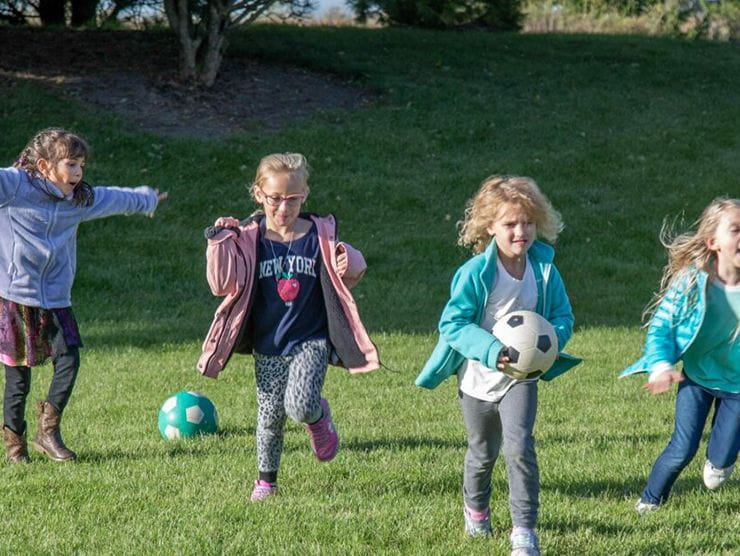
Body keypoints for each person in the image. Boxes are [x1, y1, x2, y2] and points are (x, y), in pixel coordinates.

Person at [197, 153, 379, 502]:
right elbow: (221, 284)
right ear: (258, 194)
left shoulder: (319, 234)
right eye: (275, 198)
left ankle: (318, 415)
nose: (284, 207)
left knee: (299, 404)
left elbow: (352, 268)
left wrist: (349, 258)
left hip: (311, 340)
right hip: (268, 344)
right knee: (269, 417)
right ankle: (266, 481)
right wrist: (218, 241)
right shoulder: (248, 238)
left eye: (292, 199)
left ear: (305, 194)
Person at [415, 176, 580, 556]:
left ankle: (524, 531)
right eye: (510, 224)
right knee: (482, 452)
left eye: (527, 223)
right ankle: (476, 511)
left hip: (520, 378)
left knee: (520, 446)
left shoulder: (545, 272)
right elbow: (453, 324)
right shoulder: (476, 273)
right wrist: (490, 350)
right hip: (476, 378)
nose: (520, 232)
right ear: (490, 227)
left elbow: (563, 317)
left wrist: (550, 342)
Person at [1, 127, 168, 463]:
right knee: (18, 377)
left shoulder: (79, 199)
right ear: (45, 165)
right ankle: (15, 445)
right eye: (70, 164)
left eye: (81, 165)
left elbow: (113, 198)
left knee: (69, 360)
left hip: (56, 298)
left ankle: (48, 432)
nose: (77, 172)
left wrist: (146, 199)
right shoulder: (15, 186)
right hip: (15, 297)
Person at [621, 198, 739, 514]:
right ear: (713, 242)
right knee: (681, 449)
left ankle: (720, 459)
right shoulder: (692, 281)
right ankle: (650, 500)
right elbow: (662, 326)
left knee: (718, 470)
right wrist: (660, 365)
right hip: (697, 378)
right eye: (737, 230)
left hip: (738, 389)